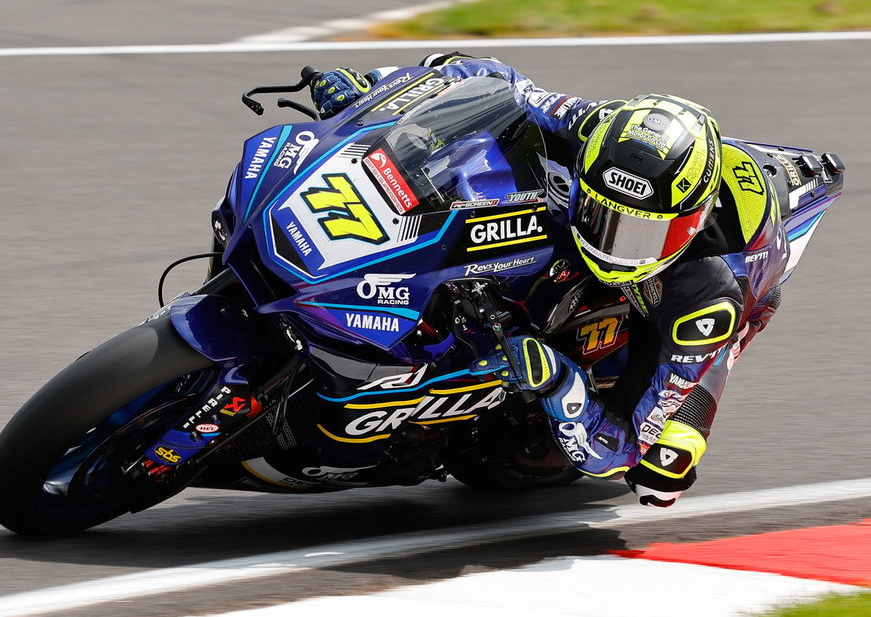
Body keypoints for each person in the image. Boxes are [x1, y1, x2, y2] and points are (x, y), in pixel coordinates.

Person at [309, 54, 789, 508]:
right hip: (573, 231)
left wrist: (562, 385)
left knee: (661, 470)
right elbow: (489, 79)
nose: (613, 244)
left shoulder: (708, 295)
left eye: (638, 233)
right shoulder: (593, 129)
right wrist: (378, 89)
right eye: (600, 213)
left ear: (688, 222)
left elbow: (619, 448)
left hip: (682, 300)